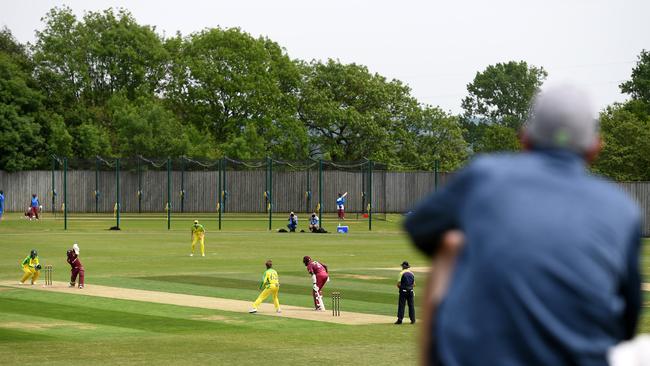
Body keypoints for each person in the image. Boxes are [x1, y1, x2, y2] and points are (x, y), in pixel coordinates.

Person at [404, 84, 641, 365]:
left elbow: (418, 228)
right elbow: (628, 319)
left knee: (451, 246)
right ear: (595, 147)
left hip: (478, 355)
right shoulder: (623, 209)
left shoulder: (485, 176)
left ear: (525, 138)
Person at [395, 261, 415, 325]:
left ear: (403, 267)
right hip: (411, 291)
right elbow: (414, 284)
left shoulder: (401, 273)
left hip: (403, 291)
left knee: (401, 305)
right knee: (411, 306)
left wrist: (401, 288)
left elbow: (398, 284)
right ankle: (413, 320)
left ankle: (400, 320)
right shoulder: (412, 274)